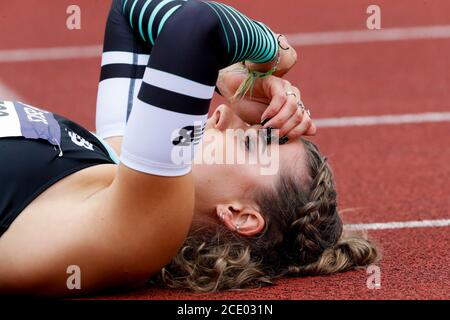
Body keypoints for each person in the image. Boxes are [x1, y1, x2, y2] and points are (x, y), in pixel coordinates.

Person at [0, 0, 378, 296]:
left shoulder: (143, 231)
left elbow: (198, 25)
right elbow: (130, 13)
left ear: (239, 215)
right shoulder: (116, 164)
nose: (222, 116)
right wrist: (228, 81)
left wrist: (273, 56)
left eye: (247, 141)